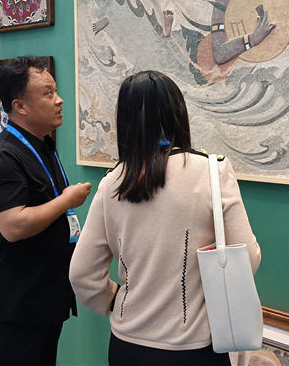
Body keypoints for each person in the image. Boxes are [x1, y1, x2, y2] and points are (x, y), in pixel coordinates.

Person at [69, 70, 261, 366]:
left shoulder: (112, 183)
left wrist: (113, 299)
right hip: (195, 347)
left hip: (127, 346)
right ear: (178, 112)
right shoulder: (212, 171)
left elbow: (81, 274)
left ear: (125, 120)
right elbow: (247, 258)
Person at [0, 56, 91, 366]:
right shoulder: (0, 156)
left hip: (45, 299)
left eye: (56, 91)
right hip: (14, 306)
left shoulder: (43, 146)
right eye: (48, 93)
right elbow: (14, 225)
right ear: (20, 106)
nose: (59, 100)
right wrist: (66, 201)